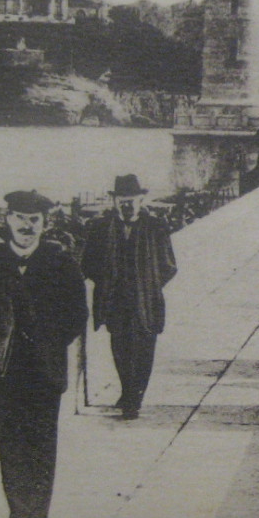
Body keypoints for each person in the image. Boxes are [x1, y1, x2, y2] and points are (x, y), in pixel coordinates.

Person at [0, 190, 87, 518]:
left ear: (45, 225)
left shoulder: (61, 265)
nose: (26, 226)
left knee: (41, 450)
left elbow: (76, 315)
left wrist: (47, 341)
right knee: (10, 449)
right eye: (20, 218)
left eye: (35, 220)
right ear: (7, 221)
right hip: (2, 373)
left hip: (43, 374)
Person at [82, 174, 178, 419]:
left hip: (146, 302)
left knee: (144, 350)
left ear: (141, 199)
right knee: (120, 349)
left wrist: (149, 284)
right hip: (115, 301)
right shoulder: (101, 228)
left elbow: (169, 266)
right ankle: (127, 390)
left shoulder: (156, 227)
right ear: (114, 202)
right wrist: (107, 281)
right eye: (122, 201)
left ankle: (134, 399)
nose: (126, 206)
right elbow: (88, 264)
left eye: (131, 201)